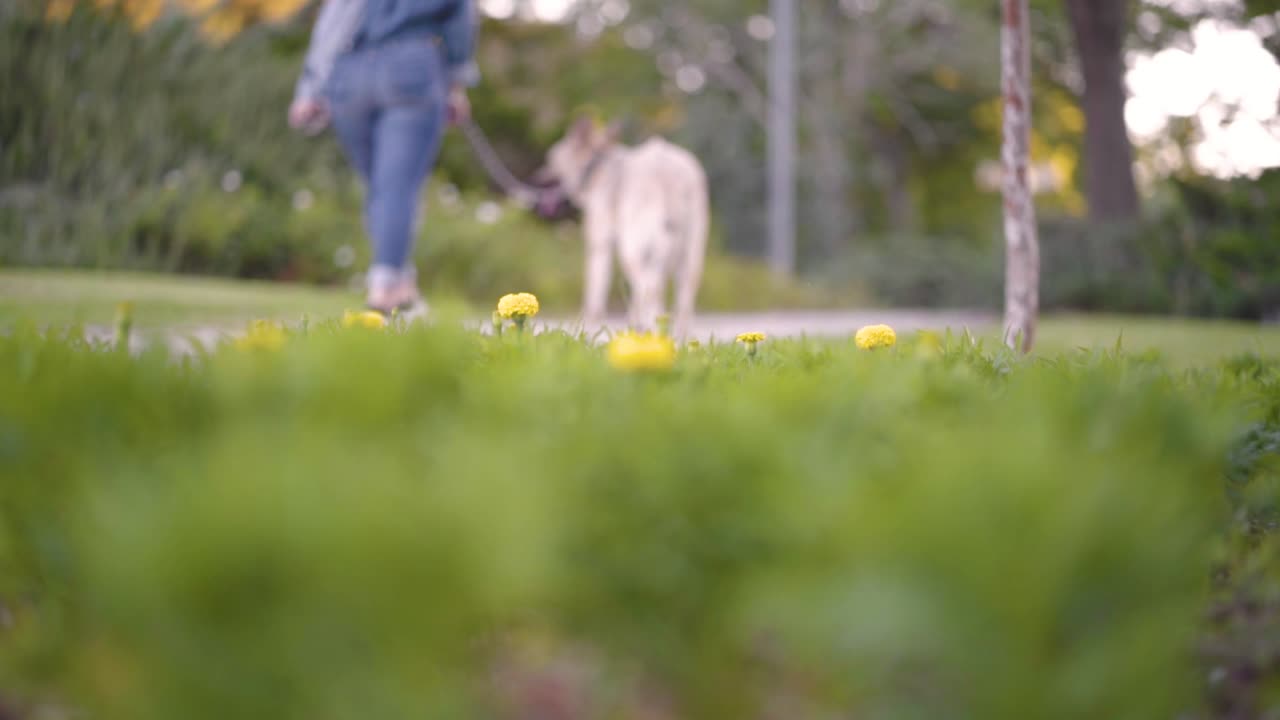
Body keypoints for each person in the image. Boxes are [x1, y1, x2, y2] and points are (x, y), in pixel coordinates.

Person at [288, 0, 478, 315]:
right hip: (412, 64)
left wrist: (309, 89)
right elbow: (459, 20)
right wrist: (456, 83)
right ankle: (384, 290)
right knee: (396, 187)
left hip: (350, 72)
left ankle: (401, 287)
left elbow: (332, 23)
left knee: (380, 187)